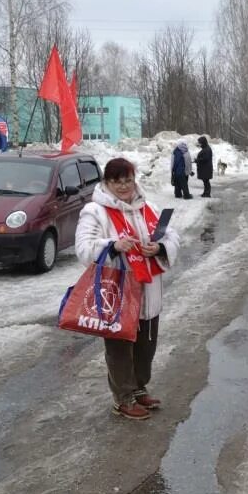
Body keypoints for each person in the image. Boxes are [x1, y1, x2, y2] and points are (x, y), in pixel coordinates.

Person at [76, 158, 181, 421]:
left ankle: (138, 387)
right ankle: (123, 398)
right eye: (117, 181)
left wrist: (159, 248)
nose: (124, 187)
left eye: (128, 180)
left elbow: (171, 236)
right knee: (120, 347)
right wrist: (113, 245)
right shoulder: (95, 211)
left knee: (146, 344)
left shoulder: (148, 207)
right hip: (117, 292)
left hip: (149, 290)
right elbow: (83, 248)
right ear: (107, 183)